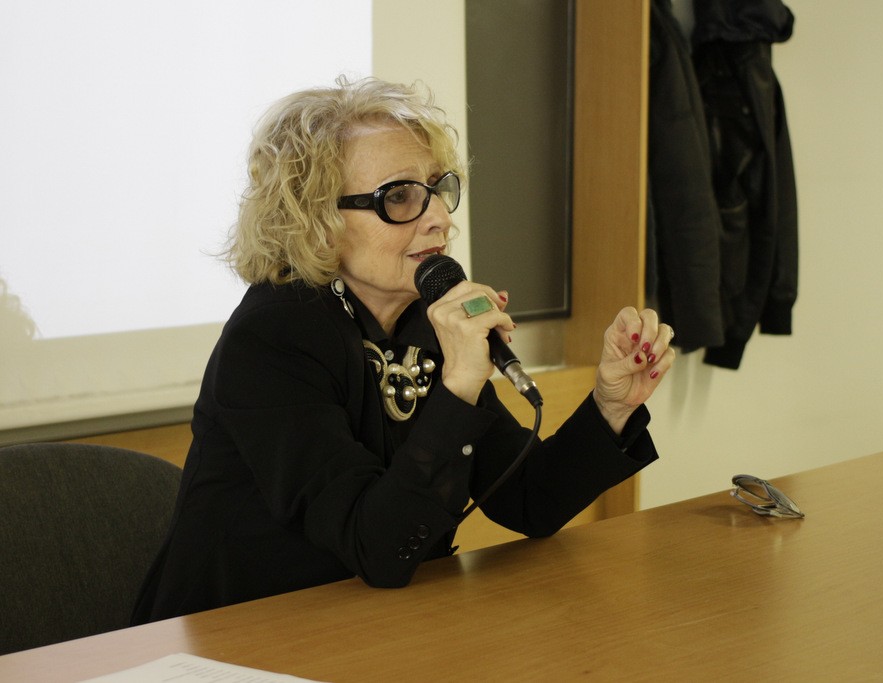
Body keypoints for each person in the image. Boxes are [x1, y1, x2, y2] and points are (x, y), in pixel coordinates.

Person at [131, 76, 676, 624]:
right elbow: (377, 548)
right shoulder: (273, 340)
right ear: (317, 222)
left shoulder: (421, 318)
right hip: (239, 635)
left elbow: (529, 500)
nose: (440, 217)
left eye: (437, 189)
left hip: (366, 624)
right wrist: (460, 385)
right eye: (399, 197)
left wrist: (610, 405)